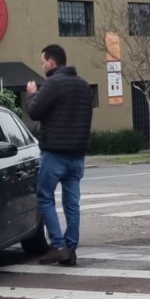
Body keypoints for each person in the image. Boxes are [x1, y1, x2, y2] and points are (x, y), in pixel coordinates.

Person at [26, 44, 94, 266]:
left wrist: (31, 95)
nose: (42, 65)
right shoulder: (84, 86)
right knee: (72, 204)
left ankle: (58, 245)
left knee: (45, 197)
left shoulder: (52, 83)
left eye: (43, 61)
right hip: (78, 155)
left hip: (55, 153)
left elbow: (34, 112)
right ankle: (70, 249)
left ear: (52, 62)